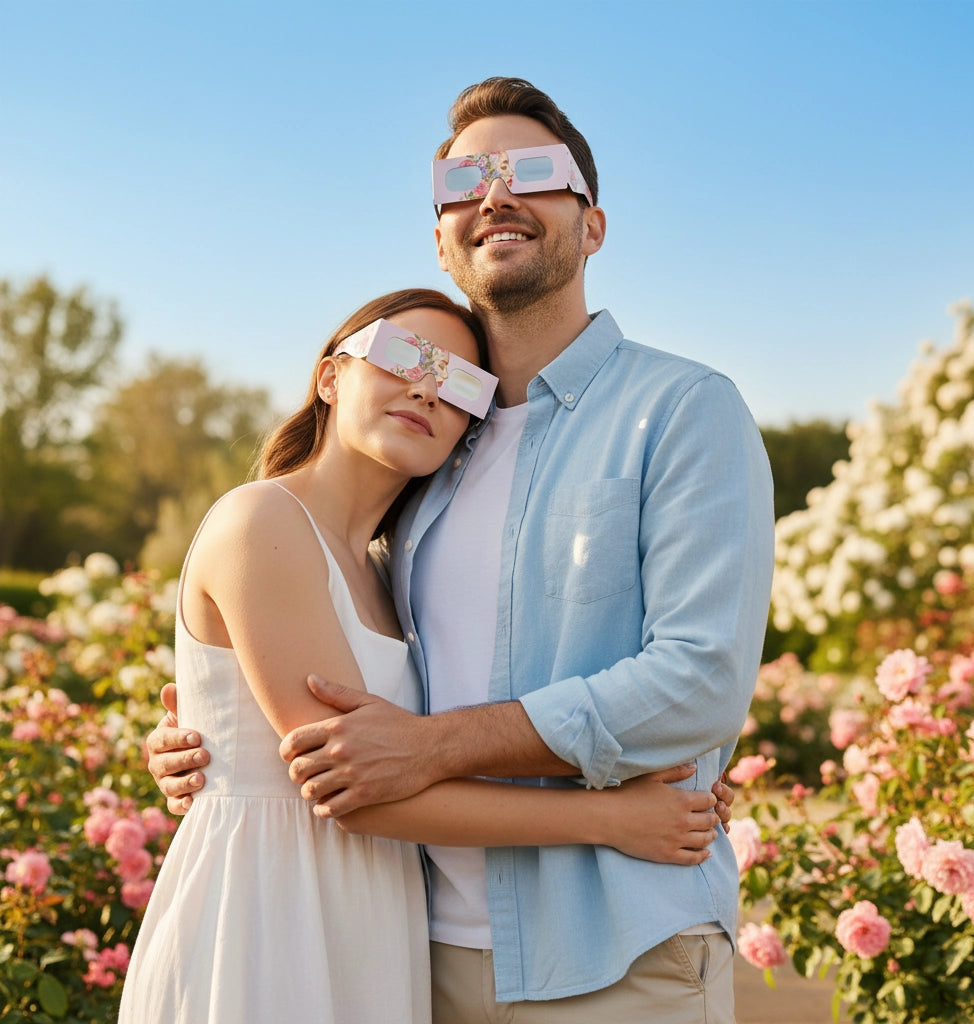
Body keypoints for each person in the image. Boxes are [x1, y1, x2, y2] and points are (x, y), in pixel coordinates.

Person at [151, 76, 773, 1023]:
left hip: (613, 948)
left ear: (592, 225)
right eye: (463, 182)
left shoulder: (682, 412)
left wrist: (429, 747)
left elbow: (700, 681)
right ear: (442, 238)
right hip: (413, 953)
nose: (495, 193)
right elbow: (319, 719)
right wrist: (215, 739)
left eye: (532, 171)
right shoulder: (430, 458)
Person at [124, 288, 729, 1024]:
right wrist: (610, 818)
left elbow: (417, 739)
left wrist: (665, 764)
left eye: (462, 384)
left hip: (380, 917)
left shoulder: (391, 568)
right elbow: (360, 786)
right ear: (330, 376)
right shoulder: (262, 521)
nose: (426, 386)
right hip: (270, 917)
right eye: (403, 355)